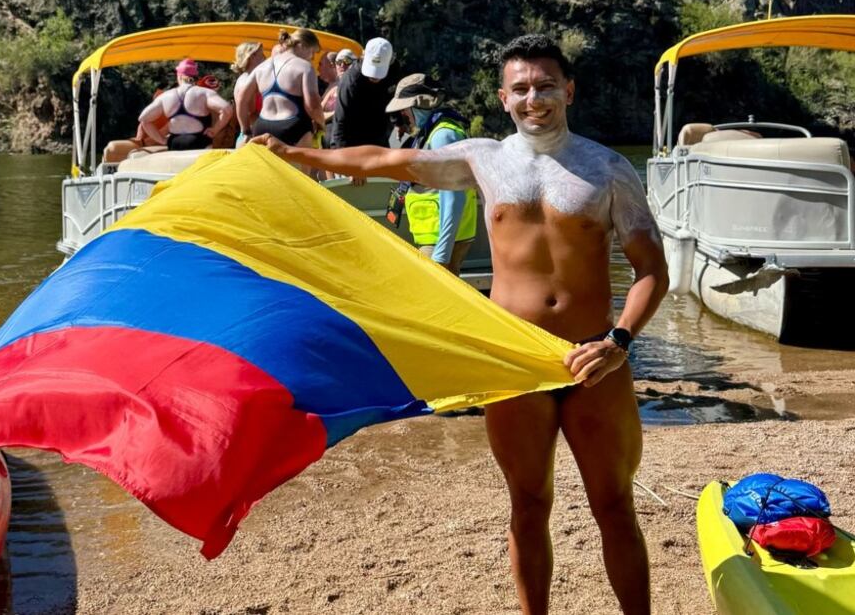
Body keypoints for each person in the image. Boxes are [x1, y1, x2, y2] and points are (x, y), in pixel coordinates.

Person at [253, 34, 668, 615]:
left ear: (568, 90)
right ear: (503, 98)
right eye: (521, 88)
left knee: (614, 504)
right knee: (527, 503)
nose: (534, 99)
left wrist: (619, 340)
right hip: (510, 360)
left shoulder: (608, 168)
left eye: (546, 85)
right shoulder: (484, 159)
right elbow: (379, 159)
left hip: (593, 355)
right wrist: (299, 156)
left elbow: (652, 270)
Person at [385, 73, 478, 274]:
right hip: (435, 239)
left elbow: (453, 195)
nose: (403, 113)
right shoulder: (430, 132)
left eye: (405, 108)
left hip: (440, 242)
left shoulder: (443, 135)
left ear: (418, 105)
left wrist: (442, 252)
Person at [237, 28, 325, 151]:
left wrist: (245, 129)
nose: (313, 58)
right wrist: (321, 123)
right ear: (303, 46)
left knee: (268, 170)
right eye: (313, 52)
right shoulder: (305, 67)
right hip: (294, 126)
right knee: (300, 171)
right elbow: (312, 105)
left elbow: (241, 98)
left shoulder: (262, 67)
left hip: (262, 126)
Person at [138, 58, 233, 151]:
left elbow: (144, 119)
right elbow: (226, 109)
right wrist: (214, 130)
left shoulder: (165, 96)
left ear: (179, 76)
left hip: (174, 143)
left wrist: (162, 140)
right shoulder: (204, 93)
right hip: (199, 142)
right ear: (195, 76)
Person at [331, 37, 396, 150]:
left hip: (380, 139)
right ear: (364, 57)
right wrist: (337, 156)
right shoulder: (350, 81)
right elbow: (340, 122)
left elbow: (395, 98)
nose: (374, 77)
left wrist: (399, 122)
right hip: (353, 143)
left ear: (390, 61)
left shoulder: (394, 70)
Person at [230, 42, 265, 147]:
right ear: (252, 56)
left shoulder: (244, 78)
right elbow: (249, 111)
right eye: (261, 54)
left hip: (248, 136)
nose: (265, 58)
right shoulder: (248, 80)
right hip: (251, 137)